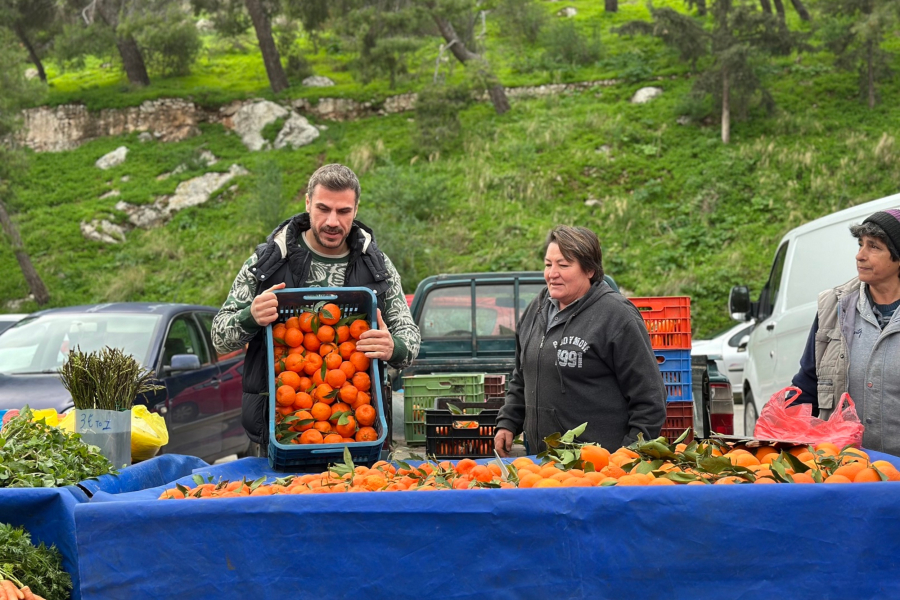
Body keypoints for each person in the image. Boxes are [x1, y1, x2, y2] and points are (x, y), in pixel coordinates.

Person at [212, 163, 421, 449]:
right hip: (278, 431)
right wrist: (251, 317)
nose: (333, 221)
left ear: (356, 209)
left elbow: (410, 339)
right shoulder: (268, 262)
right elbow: (219, 337)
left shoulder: (377, 267)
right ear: (308, 202)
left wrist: (393, 347)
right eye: (323, 208)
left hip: (357, 430)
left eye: (344, 211)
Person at [494, 226, 667, 456]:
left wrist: (630, 455)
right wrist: (508, 421)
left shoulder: (616, 316)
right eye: (548, 264)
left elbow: (650, 397)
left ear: (589, 270)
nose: (552, 273)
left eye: (563, 265)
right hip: (542, 464)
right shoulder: (536, 310)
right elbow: (522, 375)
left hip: (596, 469)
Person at [790, 209, 900, 456]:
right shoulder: (834, 307)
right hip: (847, 471)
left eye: (874, 247)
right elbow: (807, 384)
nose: (860, 255)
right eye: (861, 245)